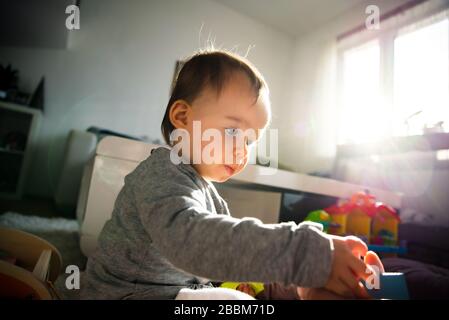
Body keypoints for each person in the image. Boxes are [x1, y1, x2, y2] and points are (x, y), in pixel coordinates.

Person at [81, 49, 370, 300]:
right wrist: (305, 254)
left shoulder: (213, 199)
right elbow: (191, 243)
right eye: (233, 131)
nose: (243, 150)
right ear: (183, 118)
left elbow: (231, 256)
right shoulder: (160, 172)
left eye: (249, 141)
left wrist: (299, 285)